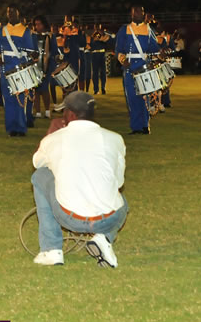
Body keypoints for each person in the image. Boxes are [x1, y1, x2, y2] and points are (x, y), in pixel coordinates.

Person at [30, 91, 128, 268]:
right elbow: (119, 183)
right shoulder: (115, 138)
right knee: (122, 201)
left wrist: (49, 136)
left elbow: (38, 163)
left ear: (71, 114)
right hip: (108, 219)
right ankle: (104, 237)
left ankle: (52, 249)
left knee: (40, 176)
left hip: (70, 217)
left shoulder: (54, 139)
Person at [115, 6, 160, 135]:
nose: (140, 14)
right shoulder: (125, 29)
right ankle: (136, 127)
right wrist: (122, 60)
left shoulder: (148, 29)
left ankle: (145, 125)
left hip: (143, 65)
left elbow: (153, 48)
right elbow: (118, 49)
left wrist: (160, 53)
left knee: (145, 97)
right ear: (132, 14)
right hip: (129, 66)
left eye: (142, 12)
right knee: (131, 97)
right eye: (137, 12)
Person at [0, 6, 36, 137]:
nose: (10, 14)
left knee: (20, 98)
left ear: (18, 13)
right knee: (8, 98)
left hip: (19, 65)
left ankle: (21, 127)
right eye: (8, 12)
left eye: (13, 12)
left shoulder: (25, 30)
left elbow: (30, 50)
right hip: (5, 66)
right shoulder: (2, 30)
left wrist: (32, 58)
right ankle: (11, 127)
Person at [32, 15, 56, 119]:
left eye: (39, 24)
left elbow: (53, 51)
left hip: (46, 65)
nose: (37, 26)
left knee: (45, 89)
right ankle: (37, 112)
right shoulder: (33, 36)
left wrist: (49, 64)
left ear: (44, 24)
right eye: (36, 24)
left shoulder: (50, 36)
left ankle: (47, 111)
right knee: (35, 90)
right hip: (35, 65)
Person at [90, 24, 112, 95]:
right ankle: (96, 90)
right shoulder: (92, 35)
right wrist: (96, 37)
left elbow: (107, 40)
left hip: (102, 54)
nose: (97, 29)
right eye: (96, 27)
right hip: (95, 54)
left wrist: (102, 36)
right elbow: (91, 44)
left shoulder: (103, 34)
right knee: (95, 73)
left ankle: (103, 88)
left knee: (103, 72)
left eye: (98, 27)